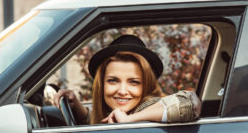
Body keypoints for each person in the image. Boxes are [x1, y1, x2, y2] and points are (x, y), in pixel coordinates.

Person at [52, 35, 201, 124]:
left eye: (134, 82)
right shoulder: (125, 110)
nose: (122, 91)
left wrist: (129, 120)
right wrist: (78, 107)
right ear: (101, 84)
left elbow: (190, 104)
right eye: (113, 81)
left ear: (146, 85)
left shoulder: (149, 106)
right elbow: (101, 119)